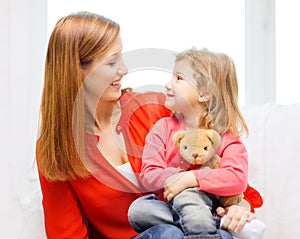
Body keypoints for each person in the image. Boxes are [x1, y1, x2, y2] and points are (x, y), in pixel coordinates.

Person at [36, 11, 262, 239]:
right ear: (78, 70)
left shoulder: (156, 111)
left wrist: (239, 208)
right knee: (167, 234)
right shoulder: (57, 149)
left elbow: (227, 176)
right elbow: (66, 234)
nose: (124, 69)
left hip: (191, 229)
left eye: (121, 57)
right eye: (112, 62)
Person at [128, 48, 265, 239]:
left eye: (179, 78)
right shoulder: (163, 128)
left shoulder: (225, 137)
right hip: (169, 206)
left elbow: (237, 179)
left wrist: (193, 179)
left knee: (203, 216)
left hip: (208, 205)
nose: (168, 84)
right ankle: (215, 224)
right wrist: (179, 177)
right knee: (138, 210)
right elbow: (149, 176)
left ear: (204, 94)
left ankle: (204, 226)